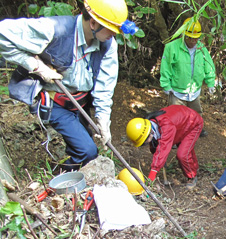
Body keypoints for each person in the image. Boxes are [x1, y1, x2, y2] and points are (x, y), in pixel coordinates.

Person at [0, 0, 137, 171]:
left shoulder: (108, 45)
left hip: (81, 103)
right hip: (55, 102)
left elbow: (105, 85)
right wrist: (37, 67)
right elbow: (3, 33)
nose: (114, 34)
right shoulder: (55, 29)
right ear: (93, 23)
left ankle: (77, 170)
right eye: (111, 29)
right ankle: (64, 177)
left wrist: (103, 119)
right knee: (87, 151)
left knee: (83, 145)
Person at [160, 17, 215, 137]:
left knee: (196, 112)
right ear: (184, 35)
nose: (193, 41)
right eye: (190, 38)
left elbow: (208, 65)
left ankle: (196, 129)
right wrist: (166, 85)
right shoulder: (172, 47)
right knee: (175, 115)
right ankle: (174, 137)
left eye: (195, 38)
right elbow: (166, 67)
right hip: (177, 89)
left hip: (194, 89)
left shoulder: (201, 48)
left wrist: (210, 82)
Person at [126, 105, 203, 189]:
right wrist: (160, 159)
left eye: (144, 142)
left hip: (193, 123)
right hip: (182, 123)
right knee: (186, 148)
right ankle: (194, 167)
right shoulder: (151, 125)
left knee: (183, 154)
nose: (144, 145)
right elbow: (155, 147)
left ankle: (192, 176)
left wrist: (152, 174)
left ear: (149, 133)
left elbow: (163, 149)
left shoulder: (166, 126)